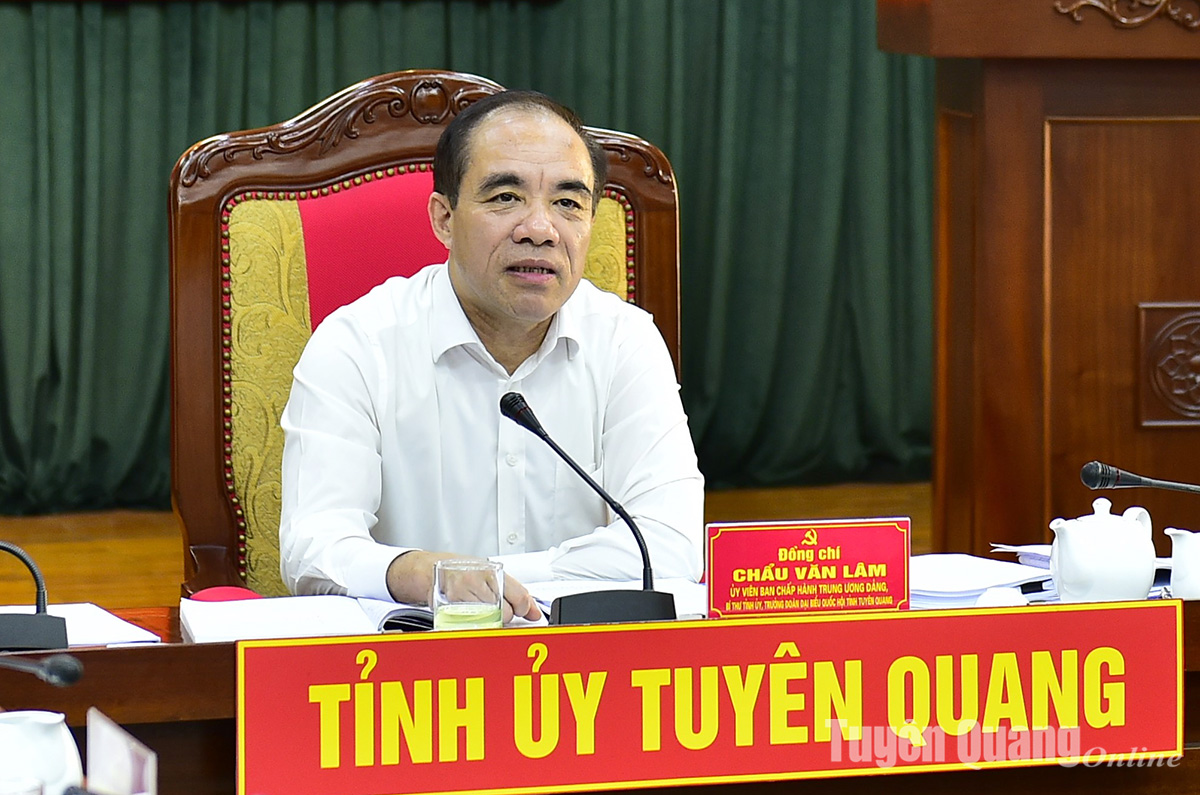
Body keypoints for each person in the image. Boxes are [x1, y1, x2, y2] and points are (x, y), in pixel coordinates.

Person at [278, 89, 703, 622]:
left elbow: (670, 544)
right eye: (505, 197)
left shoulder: (625, 342)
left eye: (568, 204)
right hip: (412, 662)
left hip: (581, 662)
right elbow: (313, 547)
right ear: (444, 218)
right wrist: (411, 572)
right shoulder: (358, 346)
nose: (540, 231)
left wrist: (469, 577)